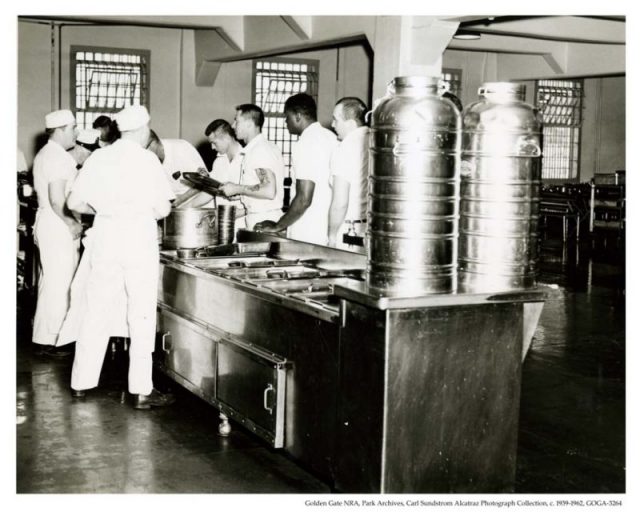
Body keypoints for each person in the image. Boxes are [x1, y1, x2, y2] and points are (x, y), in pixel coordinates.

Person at [67, 105, 176, 409]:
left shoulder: (99, 157)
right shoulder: (147, 160)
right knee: (140, 313)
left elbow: (74, 201)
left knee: (96, 309)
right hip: (138, 239)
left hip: (105, 238)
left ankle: (81, 382)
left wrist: (104, 209)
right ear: (143, 130)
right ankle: (141, 390)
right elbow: (164, 209)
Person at [31, 109, 83, 357]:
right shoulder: (57, 157)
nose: (76, 133)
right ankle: (47, 341)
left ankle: (46, 337)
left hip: (48, 223)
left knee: (51, 281)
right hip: (57, 223)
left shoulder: (46, 154)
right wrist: (71, 222)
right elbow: (56, 198)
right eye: (73, 128)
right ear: (61, 129)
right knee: (58, 284)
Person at [254, 93, 337, 244]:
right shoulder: (331, 137)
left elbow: (304, 198)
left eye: (287, 116)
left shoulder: (306, 143)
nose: (286, 121)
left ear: (298, 116)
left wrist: (279, 225)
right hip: (328, 227)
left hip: (308, 229)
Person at [218, 104, 285, 229]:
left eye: (236, 121)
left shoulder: (259, 150)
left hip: (263, 220)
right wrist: (241, 194)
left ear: (249, 124)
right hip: (261, 217)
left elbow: (269, 191)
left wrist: (237, 188)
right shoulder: (261, 147)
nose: (233, 126)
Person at [327, 97, 370, 250]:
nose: (332, 125)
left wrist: (331, 237)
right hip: (373, 230)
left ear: (351, 123)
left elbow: (340, 202)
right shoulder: (376, 140)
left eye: (336, 120)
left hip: (350, 232)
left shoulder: (344, 148)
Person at [144, 129, 213, 208]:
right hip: (175, 210)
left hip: (199, 207)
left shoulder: (181, 148)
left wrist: (180, 199)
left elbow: (205, 181)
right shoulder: (148, 161)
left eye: (144, 150)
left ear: (153, 143)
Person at [205, 118, 243, 208]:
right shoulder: (218, 162)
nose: (212, 147)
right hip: (222, 218)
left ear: (226, 138)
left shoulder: (247, 158)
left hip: (244, 220)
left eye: (214, 143)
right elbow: (209, 193)